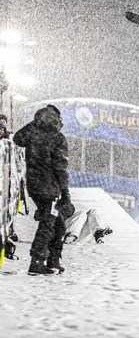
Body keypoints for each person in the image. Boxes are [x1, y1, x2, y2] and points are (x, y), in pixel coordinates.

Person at [13, 105, 74, 275]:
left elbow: (18, 139)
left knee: (58, 221)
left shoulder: (32, 132)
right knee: (49, 223)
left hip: (33, 185)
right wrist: (66, 192)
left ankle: (52, 260)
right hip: (50, 187)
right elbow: (61, 168)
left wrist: (34, 124)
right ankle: (37, 261)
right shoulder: (58, 138)